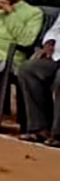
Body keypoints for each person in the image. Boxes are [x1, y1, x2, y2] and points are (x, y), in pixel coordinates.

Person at [15, 16, 60, 144]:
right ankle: (39, 128)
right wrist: (49, 43)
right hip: (56, 56)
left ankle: (58, 134)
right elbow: (55, 30)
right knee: (29, 69)